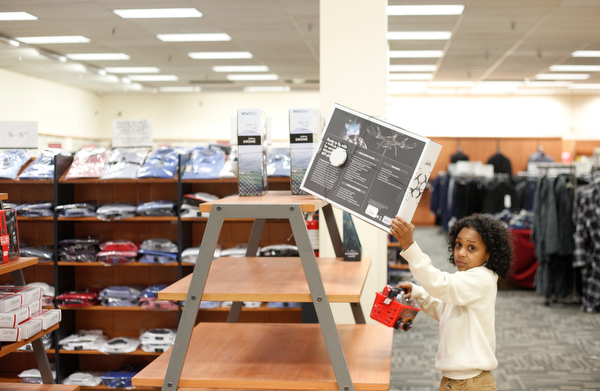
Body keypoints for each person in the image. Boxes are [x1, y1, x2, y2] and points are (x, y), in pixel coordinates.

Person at [390, 214, 513, 391]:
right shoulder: (468, 280)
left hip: (470, 383)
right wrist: (418, 293)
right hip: (455, 379)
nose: (461, 252)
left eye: (472, 248)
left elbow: (440, 284)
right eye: (458, 245)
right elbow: (445, 311)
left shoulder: (481, 279)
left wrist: (409, 246)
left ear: (488, 254)